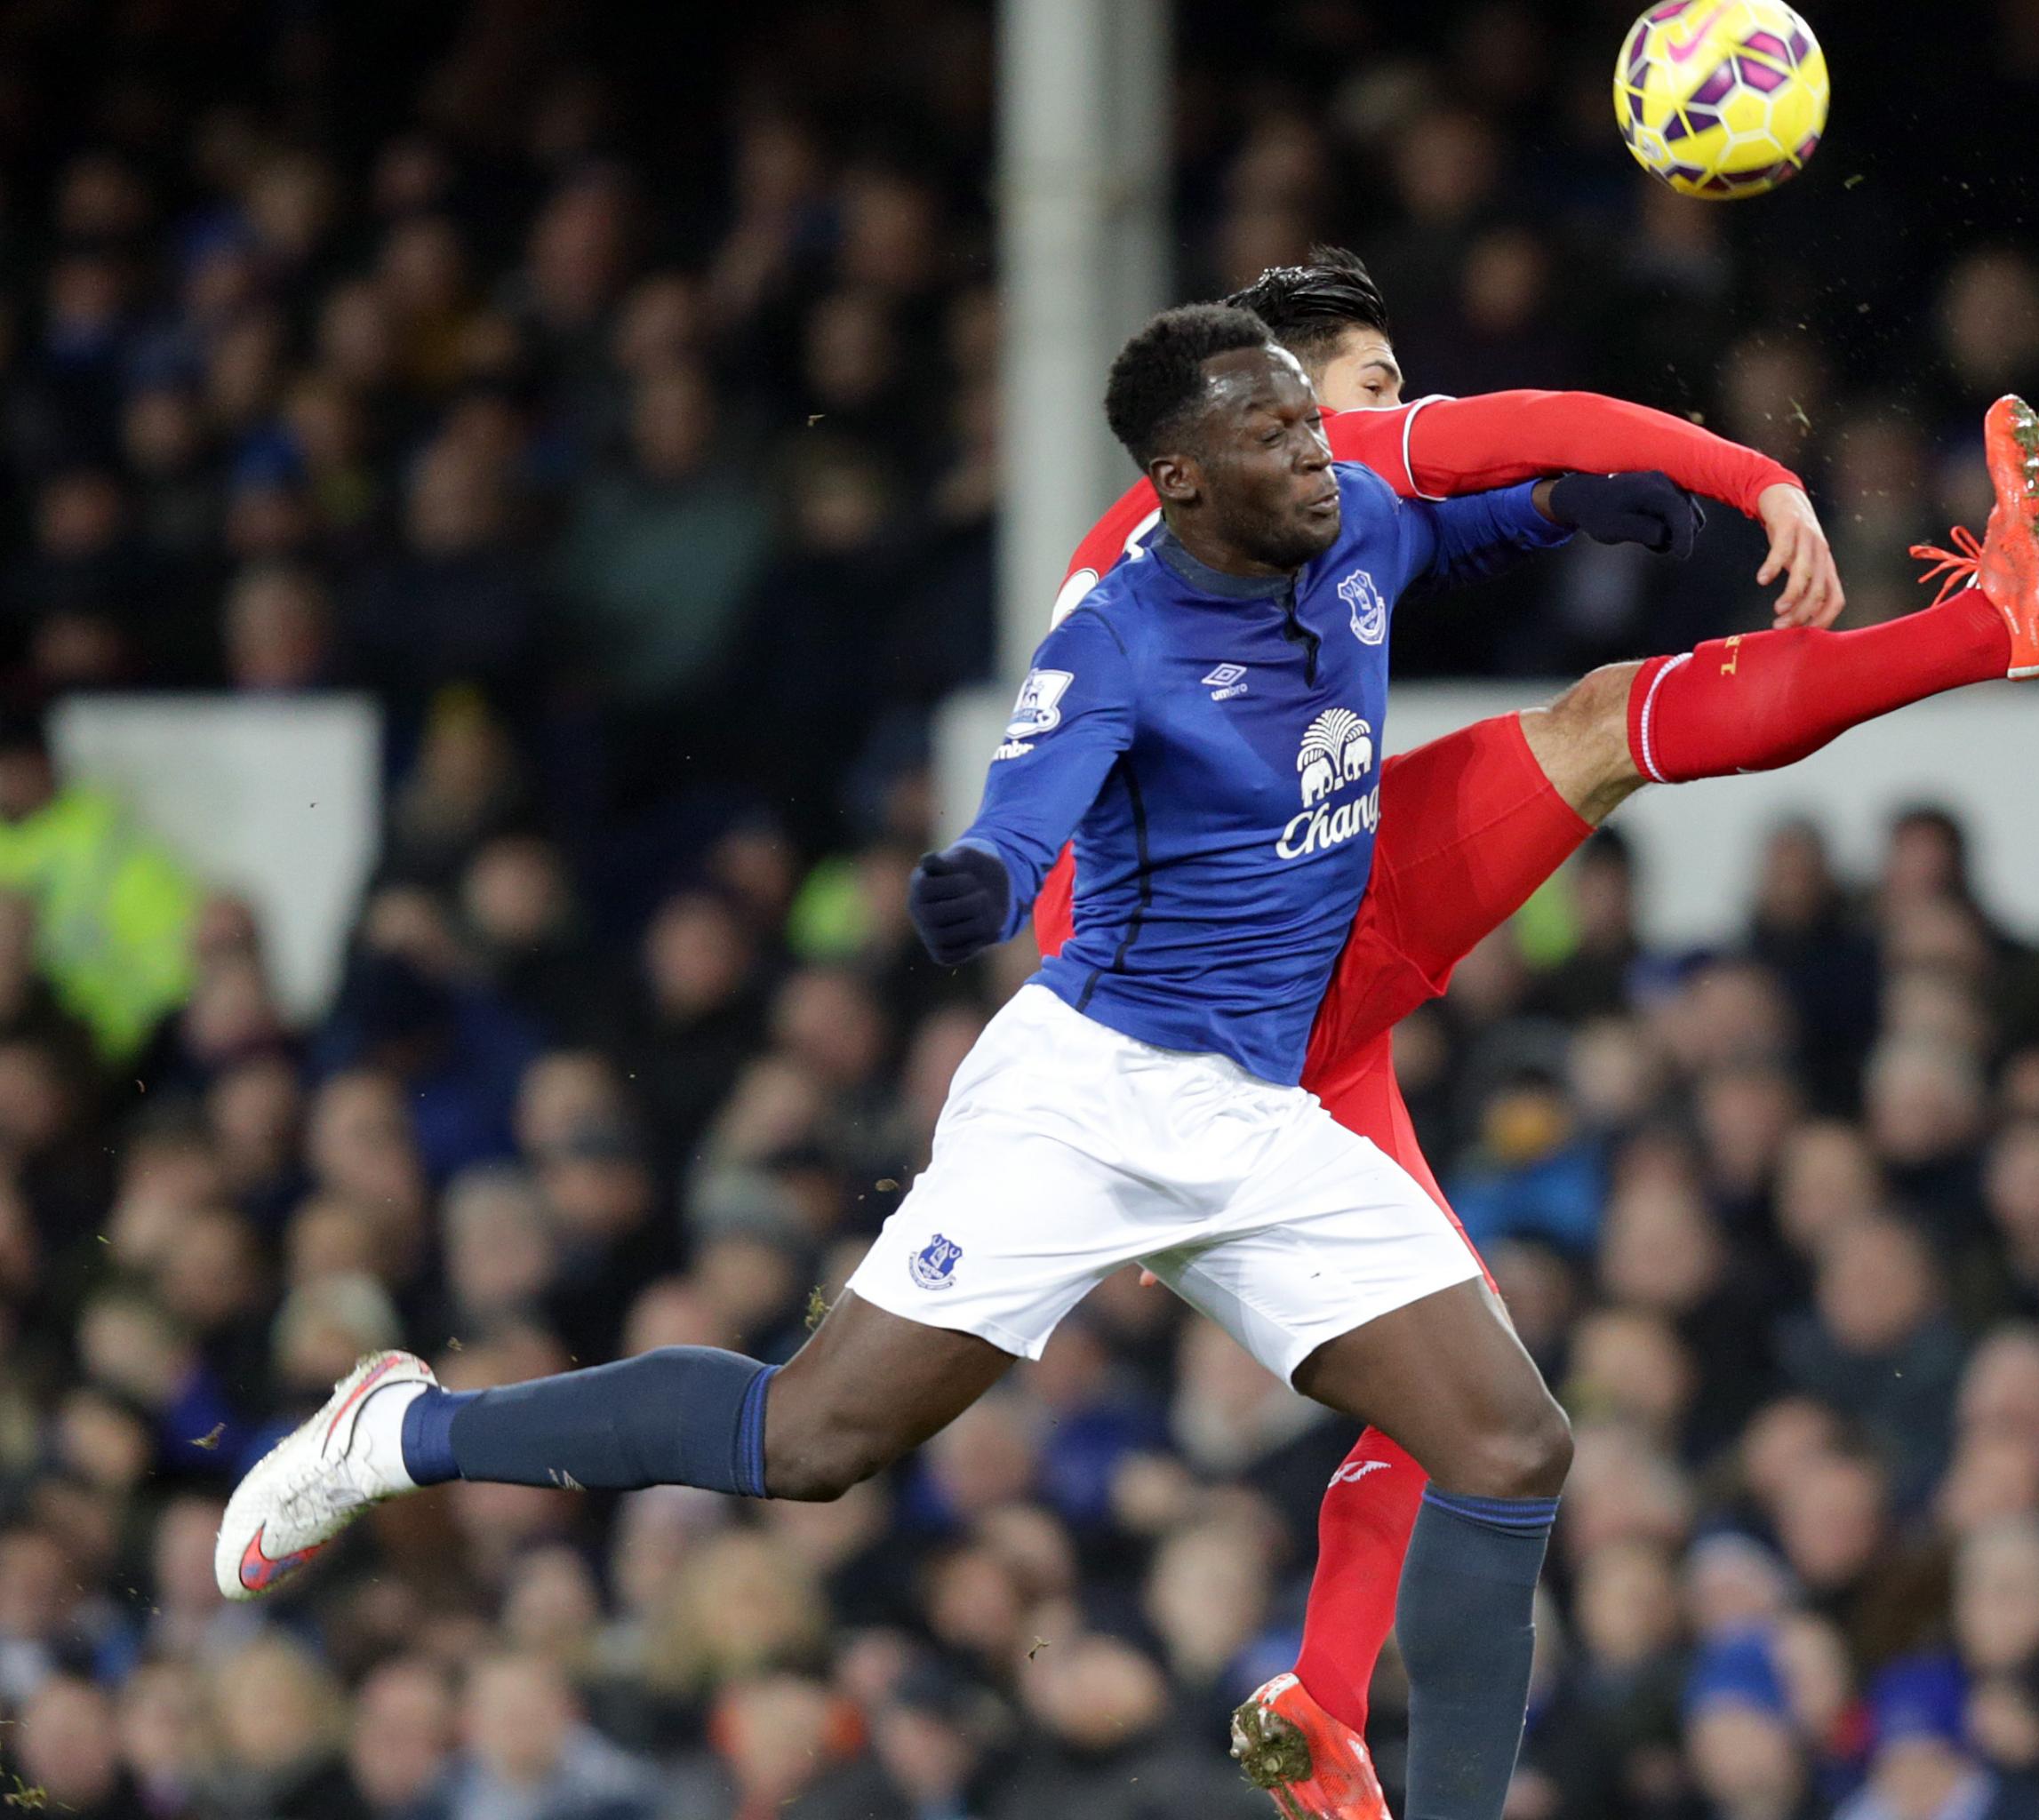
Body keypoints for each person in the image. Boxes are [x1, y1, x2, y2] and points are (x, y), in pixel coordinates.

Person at [212, 302, 1695, 1820]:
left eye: (1311, 428)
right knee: (811, 1441)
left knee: (1510, 1445)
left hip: (1261, 1115)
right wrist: (986, 874)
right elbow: (1029, 791)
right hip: (1093, 1099)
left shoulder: (1351, 520)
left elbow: (1453, 537)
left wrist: (1568, 508)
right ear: (1181, 480)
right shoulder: (1116, 636)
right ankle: (398, 1433)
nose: (1318, 456)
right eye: (1272, 436)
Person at [1033, 250, 2039, 1818]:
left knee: (1446, 1386)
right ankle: (1992, 627)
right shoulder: (1281, 456)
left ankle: (1324, 1702)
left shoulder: (1197, 522)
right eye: (1382, 385)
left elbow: (1464, 495)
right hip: (1236, 961)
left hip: (1217, 1005)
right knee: (1605, 727)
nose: (1409, 410)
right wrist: (1748, 473)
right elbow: (1515, 424)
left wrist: (1551, 512)